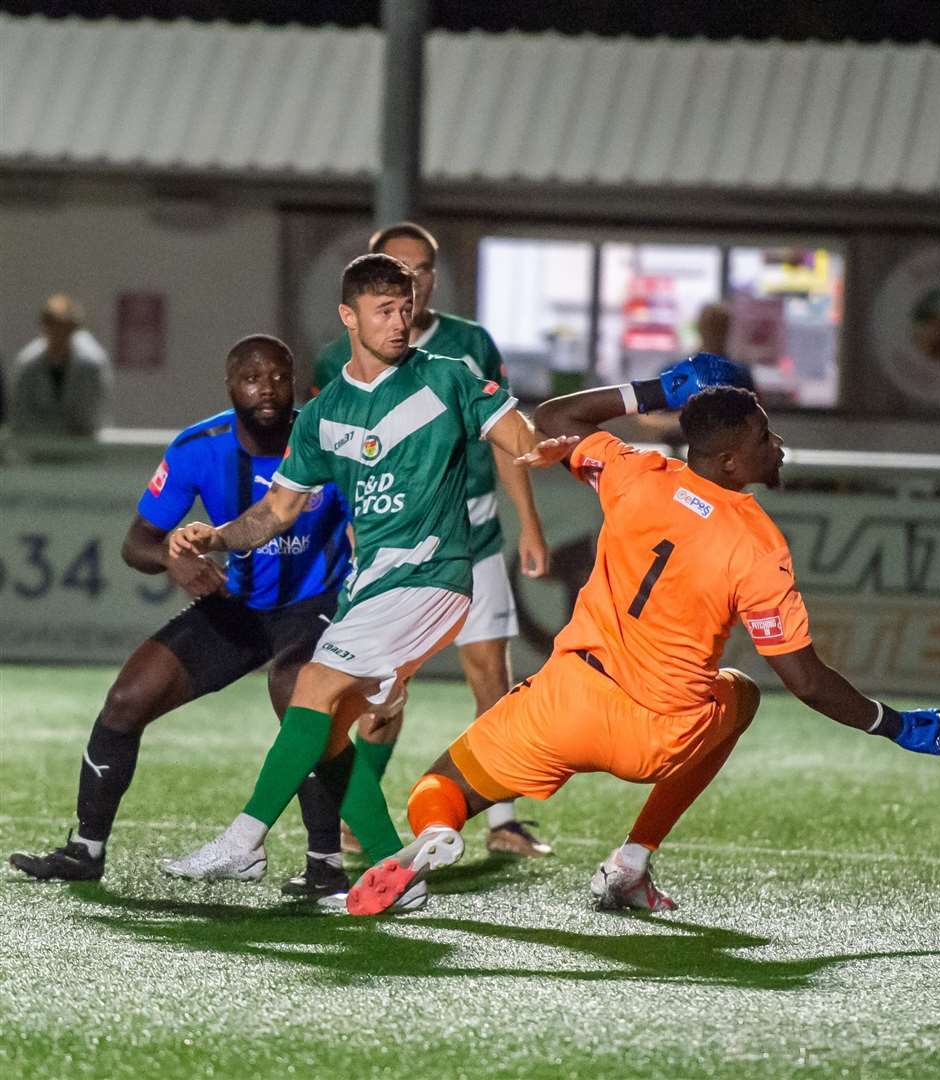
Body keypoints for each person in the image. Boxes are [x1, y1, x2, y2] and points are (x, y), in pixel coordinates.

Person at [345, 374, 940, 918]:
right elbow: (806, 680)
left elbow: (552, 417)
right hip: (662, 731)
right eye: (765, 436)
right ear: (730, 462)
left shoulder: (634, 472)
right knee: (738, 693)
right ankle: (632, 860)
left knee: (443, 785)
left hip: (569, 701)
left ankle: (433, 836)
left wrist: (653, 389)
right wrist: (893, 724)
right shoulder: (759, 544)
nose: (777, 444)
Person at [157, 254, 576, 898]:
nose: (400, 322)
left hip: (432, 576)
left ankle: (242, 842)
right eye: (385, 310)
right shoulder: (325, 414)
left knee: (314, 684)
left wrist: (547, 448)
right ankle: (392, 870)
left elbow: (513, 432)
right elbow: (276, 511)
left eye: (406, 308)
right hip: (369, 587)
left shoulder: (446, 377)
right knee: (325, 735)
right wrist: (214, 535)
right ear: (348, 317)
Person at [8, 335, 357, 898]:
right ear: (229, 384)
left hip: (316, 603)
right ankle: (85, 850)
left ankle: (325, 864)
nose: (265, 388)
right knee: (126, 699)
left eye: (277, 377)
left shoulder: (328, 440)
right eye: (251, 377)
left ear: (293, 381)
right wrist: (175, 559)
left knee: (299, 698)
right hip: (239, 606)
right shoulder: (199, 446)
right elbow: (136, 544)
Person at [311, 221, 552, 858]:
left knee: (489, 675)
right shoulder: (337, 361)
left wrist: (528, 524)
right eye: (396, 267)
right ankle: (358, 814)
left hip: (471, 532)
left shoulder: (467, 346)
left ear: (434, 278)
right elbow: (332, 459)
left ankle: (502, 818)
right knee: (379, 690)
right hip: (390, 546)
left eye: (420, 269)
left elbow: (507, 440)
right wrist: (357, 532)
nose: (410, 279)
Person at [9, 294, 113, 436]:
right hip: (38, 452)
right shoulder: (28, 364)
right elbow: (20, 418)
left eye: (65, 329)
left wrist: (55, 428)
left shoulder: (92, 365)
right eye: (53, 327)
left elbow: (90, 418)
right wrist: (57, 431)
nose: (58, 335)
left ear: (74, 329)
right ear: (44, 328)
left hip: (82, 452)